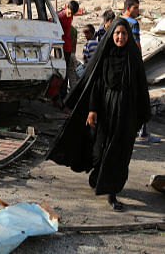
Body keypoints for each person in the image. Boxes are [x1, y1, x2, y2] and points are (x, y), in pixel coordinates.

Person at [47, 18, 151, 212]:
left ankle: (111, 192)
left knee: (118, 152)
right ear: (111, 34)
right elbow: (96, 85)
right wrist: (92, 110)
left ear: (128, 36)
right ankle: (98, 176)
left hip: (126, 114)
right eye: (117, 33)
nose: (120, 37)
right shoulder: (105, 55)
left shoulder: (133, 57)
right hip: (105, 111)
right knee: (100, 149)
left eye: (124, 34)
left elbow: (141, 88)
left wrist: (141, 115)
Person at [121, 0, 160, 143]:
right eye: (135, 8)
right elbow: (137, 45)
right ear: (128, 8)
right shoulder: (133, 23)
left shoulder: (119, 21)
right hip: (132, 64)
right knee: (141, 97)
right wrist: (140, 64)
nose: (138, 11)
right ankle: (143, 133)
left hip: (121, 66)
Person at [57, 0, 80, 102]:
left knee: (65, 71)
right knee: (61, 71)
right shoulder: (59, 17)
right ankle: (59, 95)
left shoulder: (70, 16)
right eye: (69, 12)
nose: (70, 15)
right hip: (61, 46)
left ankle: (63, 94)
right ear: (66, 7)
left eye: (72, 14)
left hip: (68, 46)